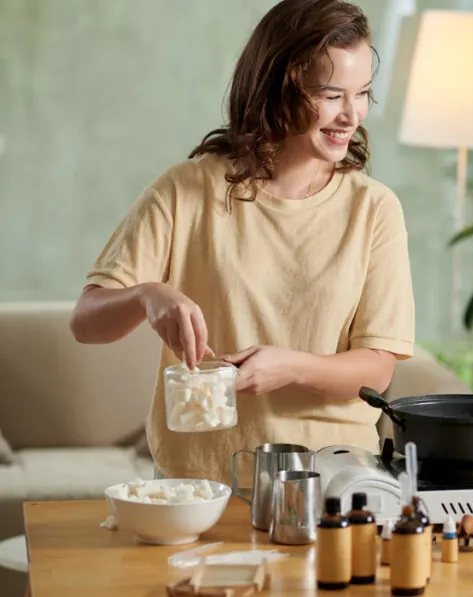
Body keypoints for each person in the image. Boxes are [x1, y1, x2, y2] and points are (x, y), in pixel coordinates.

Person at [69, 0, 415, 484]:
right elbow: (87, 323)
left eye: (362, 94)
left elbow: (376, 370)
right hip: (199, 484)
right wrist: (148, 295)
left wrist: (289, 367)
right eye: (332, 95)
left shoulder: (374, 208)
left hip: (331, 483)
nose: (351, 115)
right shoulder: (186, 189)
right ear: (278, 87)